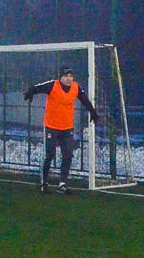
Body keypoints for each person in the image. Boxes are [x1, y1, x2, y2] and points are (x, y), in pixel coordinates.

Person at [23, 66, 99, 194]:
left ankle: (62, 183)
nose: (68, 79)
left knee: (68, 154)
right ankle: (44, 182)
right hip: (51, 127)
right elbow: (38, 87)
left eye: (70, 76)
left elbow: (84, 99)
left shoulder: (75, 87)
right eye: (65, 76)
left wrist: (92, 111)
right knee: (50, 155)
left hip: (67, 128)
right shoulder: (53, 85)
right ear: (60, 77)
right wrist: (30, 93)